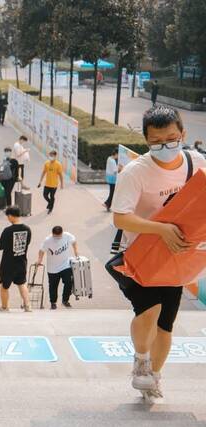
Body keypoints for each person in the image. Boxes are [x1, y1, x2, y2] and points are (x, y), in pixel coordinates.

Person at [109, 106, 206, 403]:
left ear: (183, 134)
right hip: (139, 256)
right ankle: (141, 358)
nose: (166, 146)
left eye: (172, 139)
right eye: (157, 143)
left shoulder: (196, 161)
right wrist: (160, 229)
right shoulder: (135, 173)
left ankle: (155, 376)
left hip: (176, 256)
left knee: (166, 323)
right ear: (146, 141)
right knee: (148, 311)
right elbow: (121, 218)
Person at [0, 206, 32, 312]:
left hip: (8, 263)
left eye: (8, 216)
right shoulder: (27, 229)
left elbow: (0, 246)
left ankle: (4, 307)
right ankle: (27, 306)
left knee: (4, 286)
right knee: (21, 284)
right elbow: (27, 243)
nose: (8, 218)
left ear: (11, 216)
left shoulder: (7, 230)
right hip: (21, 261)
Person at [36, 226, 80, 310]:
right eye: (56, 237)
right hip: (52, 268)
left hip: (65, 265)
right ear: (52, 234)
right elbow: (41, 251)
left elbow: (74, 242)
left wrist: (76, 251)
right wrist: (39, 260)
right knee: (53, 286)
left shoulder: (67, 235)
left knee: (69, 282)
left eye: (59, 236)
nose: (58, 238)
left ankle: (65, 300)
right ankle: (53, 303)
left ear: (62, 233)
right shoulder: (48, 240)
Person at [37, 150, 64, 214]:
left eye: (52, 156)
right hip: (47, 183)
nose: (50, 157)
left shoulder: (58, 164)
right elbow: (43, 172)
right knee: (45, 195)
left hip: (54, 184)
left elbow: (61, 175)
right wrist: (40, 181)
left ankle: (51, 208)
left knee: (52, 196)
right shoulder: (47, 163)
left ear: (55, 156)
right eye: (50, 156)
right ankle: (50, 202)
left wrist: (62, 184)